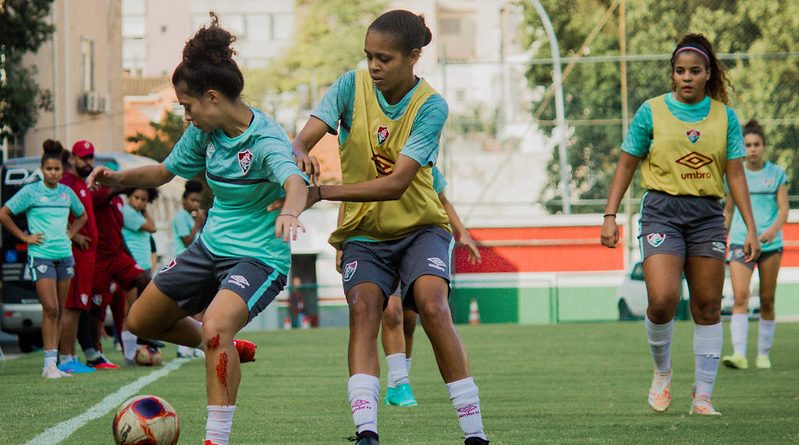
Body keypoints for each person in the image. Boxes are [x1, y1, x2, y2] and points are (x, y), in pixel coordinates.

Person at [88, 13, 308, 445]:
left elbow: (295, 183)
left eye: (187, 106)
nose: (186, 115)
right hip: (209, 248)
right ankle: (226, 344)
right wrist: (116, 179)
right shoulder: (204, 134)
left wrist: (290, 212)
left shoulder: (265, 140)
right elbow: (163, 172)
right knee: (140, 320)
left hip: (258, 258)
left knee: (216, 325)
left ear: (211, 97)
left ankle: (216, 437)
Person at [289, 10, 489, 444]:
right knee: (365, 310)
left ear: (413, 56)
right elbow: (303, 138)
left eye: (384, 58)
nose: (374, 66)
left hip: (421, 228)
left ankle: (475, 433)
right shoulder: (350, 86)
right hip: (364, 234)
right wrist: (300, 149)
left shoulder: (431, 106)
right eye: (369, 56)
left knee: (433, 307)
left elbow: (396, 184)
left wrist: (321, 193)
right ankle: (367, 432)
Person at [600, 33, 760, 416]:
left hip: (707, 215)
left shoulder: (725, 117)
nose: (687, 77)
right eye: (680, 71)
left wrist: (751, 228)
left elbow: (736, 175)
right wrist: (609, 215)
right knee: (662, 300)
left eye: (695, 71)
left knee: (708, 305)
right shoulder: (651, 111)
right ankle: (662, 371)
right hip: (662, 212)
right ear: (672, 74)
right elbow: (626, 163)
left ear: (708, 74)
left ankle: (703, 395)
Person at [379, 167, 482, 408]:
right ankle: (401, 382)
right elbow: (350, 196)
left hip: (417, 244)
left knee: (409, 319)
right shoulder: (371, 155)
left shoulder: (422, 160)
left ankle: (396, 384)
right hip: (381, 240)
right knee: (391, 312)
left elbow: (442, 200)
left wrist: (463, 233)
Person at [0, 140, 87, 378]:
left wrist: (71, 233)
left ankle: (54, 364)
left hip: (65, 256)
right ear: (42, 169)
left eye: (57, 169)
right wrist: (24, 237)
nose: (53, 173)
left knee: (59, 310)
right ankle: (48, 365)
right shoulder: (31, 192)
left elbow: (82, 215)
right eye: (49, 169)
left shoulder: (66, 193)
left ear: (62, 170)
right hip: (41, 256)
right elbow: (4, 214)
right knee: (50, 308)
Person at [721, 120, 788, 370]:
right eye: (748, 145)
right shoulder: (734, 174)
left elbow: (783, 210)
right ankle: (739, 354)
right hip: (741, 242)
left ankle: (763, 354)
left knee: (767, 299)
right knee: (740, 296)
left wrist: (772, 230)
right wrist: (721, 237)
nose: (752, 149)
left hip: (770, 245)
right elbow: (729, 210)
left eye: (756, 144)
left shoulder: (777, 174)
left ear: (764, 146)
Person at [56, 141, 100, 374]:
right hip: (75, 255)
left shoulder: (81, 183)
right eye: (83, 157)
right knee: (70, 307)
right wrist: (73, 235)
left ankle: (71, 356)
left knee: (76, 307)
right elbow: (54, 214)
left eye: (90, 157)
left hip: (87, 257)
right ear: (72, 158)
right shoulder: (66, 183)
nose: (88, 162)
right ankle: (65, 358)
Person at [172, 179, 207, 358]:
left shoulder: (192, 218)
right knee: (190, 307)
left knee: (198, 307)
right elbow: (187, 241)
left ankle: (193, 347)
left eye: (198, 201)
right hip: (185, 264)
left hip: (196, 264)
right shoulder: (181, 217)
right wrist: (198, 224)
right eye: (192, 200)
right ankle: (185, 348)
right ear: (184, 201)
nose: (195, 204)